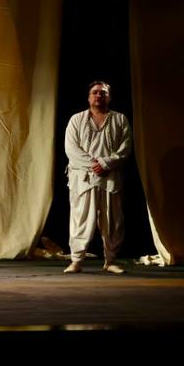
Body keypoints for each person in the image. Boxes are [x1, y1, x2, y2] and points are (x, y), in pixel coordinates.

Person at [63, 80, 132, 274]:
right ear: (88, 97)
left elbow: (125, 148)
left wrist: (105, 163)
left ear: (109, 97)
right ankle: (76, 261)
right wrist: (94, 165)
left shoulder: (120, 119)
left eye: (103, 92)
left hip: (110, 177)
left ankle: (110, 261)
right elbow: (71, 148)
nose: (99, 95)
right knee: (81, 219)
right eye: (95, 92)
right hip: (83, 178)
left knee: (112, 220)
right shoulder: (76, 119)